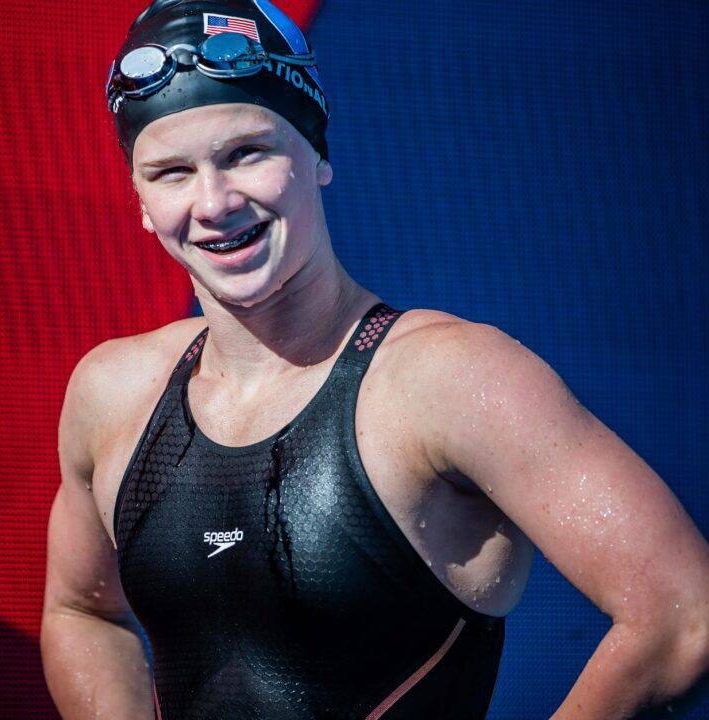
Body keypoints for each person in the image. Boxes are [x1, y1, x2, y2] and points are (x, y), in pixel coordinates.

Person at [40, 1, 709, 718]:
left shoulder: (450, 380)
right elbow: (82, 611)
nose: (214, 202)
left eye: (246, 154)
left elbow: (682, 616)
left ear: (317, 152)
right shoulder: (115, 393)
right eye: (171, 172)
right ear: (140, 200)